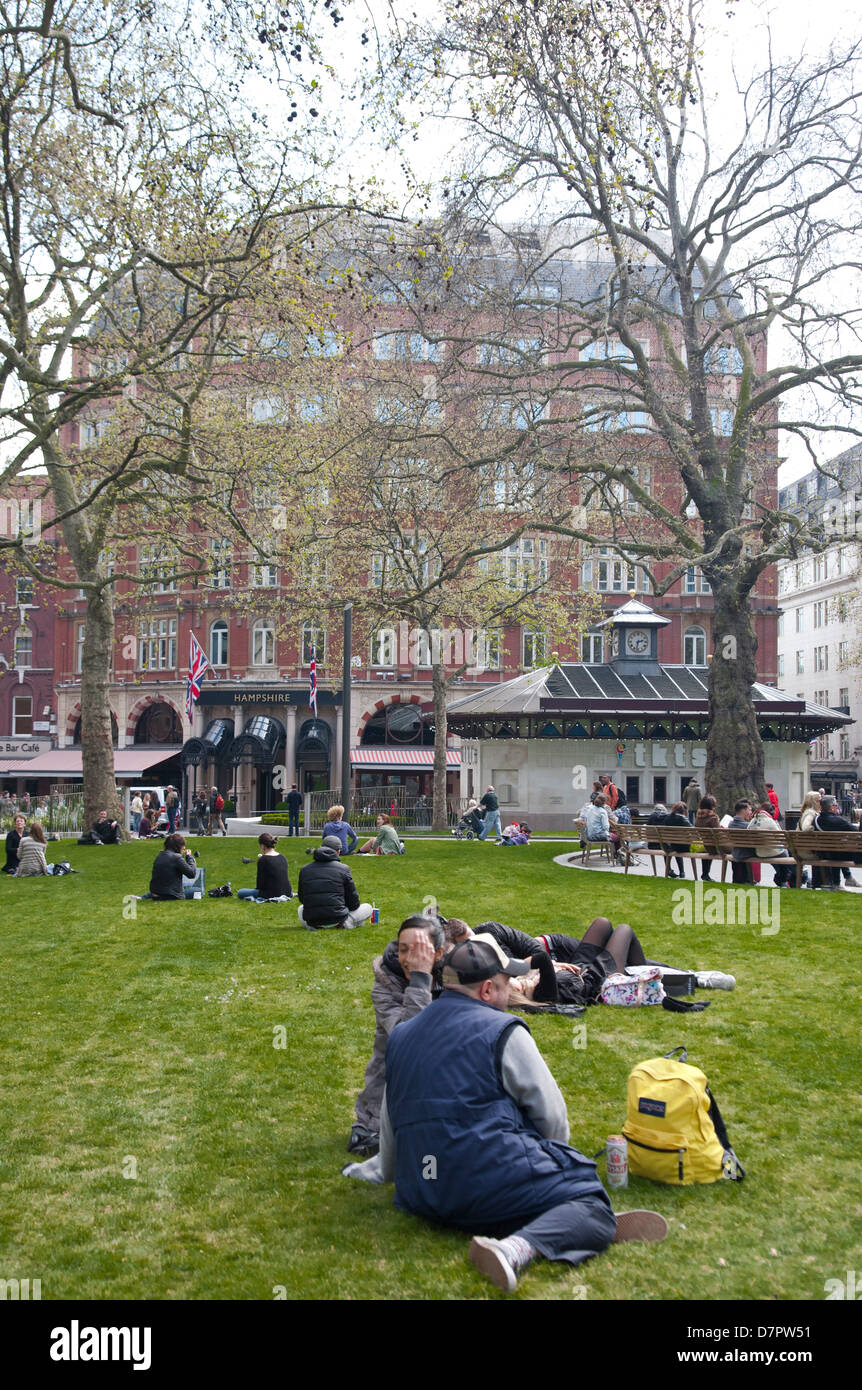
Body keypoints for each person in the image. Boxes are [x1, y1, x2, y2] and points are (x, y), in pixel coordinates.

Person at [343, 935, 667, 1292]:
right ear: (486, 990)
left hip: (420, 1192)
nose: (511, 989)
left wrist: (380, 1173)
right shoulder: (503, 1030)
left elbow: (391, 1124)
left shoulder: (402, 1035)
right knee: (592, 1200)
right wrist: (550, 1167)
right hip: (480, 1187)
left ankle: (552, 1211)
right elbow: (554, 1120)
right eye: (506, 983)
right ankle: (517, 1246)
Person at [348, 915, 446, 1158]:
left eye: (419, 950)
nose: (409, 959)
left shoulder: (454, 973)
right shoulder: (384, 984)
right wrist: (421, 980)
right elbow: (410, 1038)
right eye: (403, 950)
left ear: (439, 953)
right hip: (392, 1082)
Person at [297, 835, 373, 930]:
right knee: (368, 907)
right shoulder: (344, 869)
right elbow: (354, 904)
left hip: (313, 923)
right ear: (338, 851)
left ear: (321, 847)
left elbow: (302, 899)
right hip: (339, 921)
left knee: (301, 908)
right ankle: (349, 923)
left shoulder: (305, 870)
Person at [813, 796, 862, 890]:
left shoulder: (816, 820)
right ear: (831, 807)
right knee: (840, 850)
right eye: (836, 805)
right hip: (838, 854)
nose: (838, 806)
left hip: (824, 853)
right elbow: (856, 831)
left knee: (837, 850)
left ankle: (843, 880)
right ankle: (842, 881)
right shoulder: (838, 820)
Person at [140, 833, 199, 900]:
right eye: (183, 845)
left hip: (156, 892)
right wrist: (189, 857)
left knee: (164, 886)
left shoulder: (160, 855)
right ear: (178, 846)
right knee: (198, 890)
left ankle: (144, 897)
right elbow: (191, 874)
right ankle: (146, 896)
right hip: (171, 895)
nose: (184, 847)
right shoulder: (177, 858)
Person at [749, 803, 795, 886]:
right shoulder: (770, 821)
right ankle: (784, 881)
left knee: (781, 862)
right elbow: (782, 837)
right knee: (786, 854)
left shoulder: (753, 821)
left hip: (759, 852)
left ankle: (783, 880)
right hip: (772, 852)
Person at [238, 832, 292, 901]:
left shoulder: (263, 859)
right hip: (287, 891)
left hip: (271, 893)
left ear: (262, 846)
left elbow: (260, 884)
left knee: (241, 892)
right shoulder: (282, 857)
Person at [727, 799, 756, 883]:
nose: (751, 812)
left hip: (736, 852)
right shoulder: (747, 826)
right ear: (743, 811)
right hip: (746, 853)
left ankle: (745, 879)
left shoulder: (730, 824)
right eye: (750, 810)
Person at [663, 801, 693, 879]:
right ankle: (682, 872)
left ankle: (669, 870)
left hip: (672, 846)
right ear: (684, 811)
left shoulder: (667, 818)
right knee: (679, 845)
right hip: (684, 847)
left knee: (673, 847)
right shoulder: (683, 818)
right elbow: (693, 830)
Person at [694, 794, 721, 882]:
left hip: (705, 845)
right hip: (715, 847)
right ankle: (740, 878)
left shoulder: (698, 817)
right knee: (736, 850)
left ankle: (705, 874)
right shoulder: (713, 817)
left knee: (708, 847)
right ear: (712, 806)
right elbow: (718, 833)